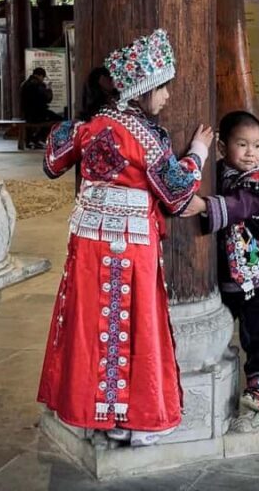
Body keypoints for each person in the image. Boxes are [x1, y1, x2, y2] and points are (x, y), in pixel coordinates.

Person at [37, 29, 214, 447]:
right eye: (163, 87)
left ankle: (85, 409)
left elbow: (50, 162)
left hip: (86, 244)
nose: (168, 96)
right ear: (143, 90)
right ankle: (133, 418)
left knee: (86, 324)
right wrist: (199, 153)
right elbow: (177, 193)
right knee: (133, 326)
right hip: (130, 248)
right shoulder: (148, 139)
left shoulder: (93, 126)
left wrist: (79, 122)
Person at [184, 111, 259, 420]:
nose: (251, 153)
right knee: (222, 327)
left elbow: (242, 206)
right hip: (226, 276)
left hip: (256, 278)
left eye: (256, 145)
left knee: (256, 332)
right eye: (242, 145)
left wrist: (203, 205)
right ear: (223, 148)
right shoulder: (217, 172)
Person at [20, 67, 61, 148]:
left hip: (26, 114)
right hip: (38, 114)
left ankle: (30, 140)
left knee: (50, 117)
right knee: (58, 119)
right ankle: (38, 139)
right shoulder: (38, 85)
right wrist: (49, 89)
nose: (43, 79)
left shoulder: (24, 84)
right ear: (40, 76)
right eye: (43, 77)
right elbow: (48, 99)